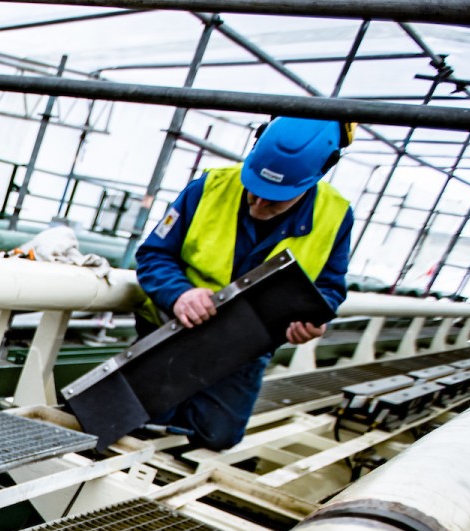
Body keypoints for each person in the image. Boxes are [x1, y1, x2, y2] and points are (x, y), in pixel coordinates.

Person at [134, 117, 355, 450]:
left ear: (318, 175)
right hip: (171, 333)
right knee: (139, 422)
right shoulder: (208, 188)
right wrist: (179, 294)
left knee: (215, 437)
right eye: (255, 191)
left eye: (275, 199)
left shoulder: (335, 215)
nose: (259, 205)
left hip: (244, 348)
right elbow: (153, 255)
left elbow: (330, 287)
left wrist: (313, 318)